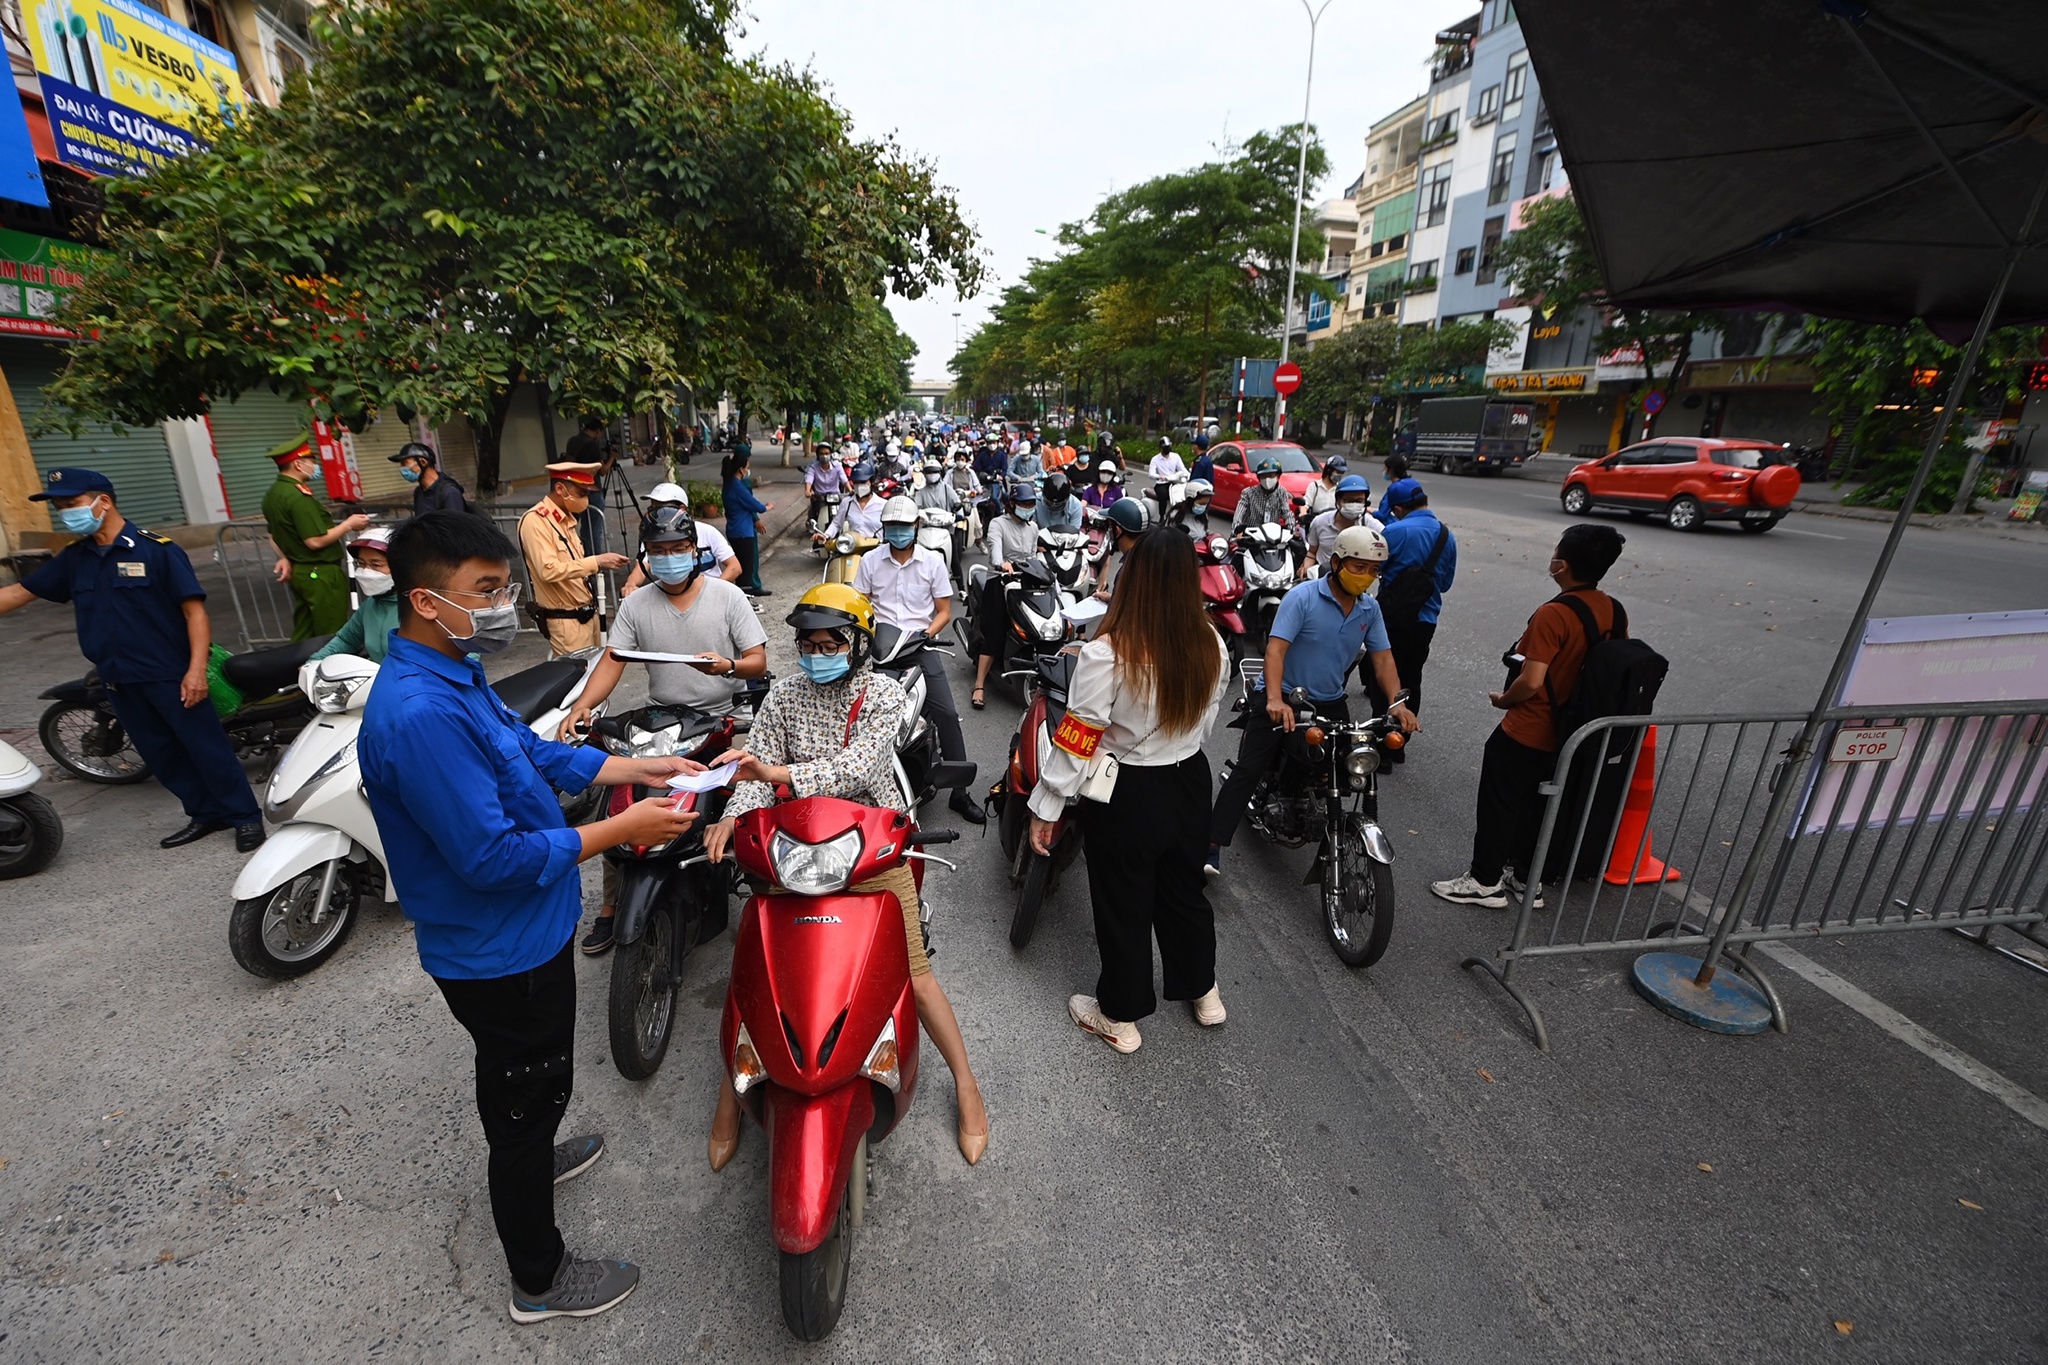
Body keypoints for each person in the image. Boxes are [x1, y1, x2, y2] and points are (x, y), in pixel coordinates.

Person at [359, 511, 700, 1324]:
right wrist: (622, 828)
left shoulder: (455, 669)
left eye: (504, 584)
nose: (504, 601)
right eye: (485, 589)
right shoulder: (419, 713)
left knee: (526, 1079)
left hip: (530, 929)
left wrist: (632, 765)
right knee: (521, 1095)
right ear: (423, 599)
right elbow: (491, 860)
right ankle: (539, 1281)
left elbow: (532, 751)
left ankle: (537, 1138)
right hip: (496, 951)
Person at [701, 585, 989, 1165]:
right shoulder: (782, 696)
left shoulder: (881, 693)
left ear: (857, 644)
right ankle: (731, 1097)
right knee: (754, 972)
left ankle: (967, 1086)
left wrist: (776, 771)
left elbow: (860, 766)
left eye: (831, 644)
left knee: (917, 973)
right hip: (793, 851)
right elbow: (755, 766)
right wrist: (732, 817)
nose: (817, 653)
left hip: (870, 854)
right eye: (808, 644)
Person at [1028, 530, 1231, 1054]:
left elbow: (1078, 737)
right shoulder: (1210, 642)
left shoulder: (1107, 652)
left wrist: (1047, 805)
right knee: (1184, 890)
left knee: (1124, 901)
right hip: (1188, 778)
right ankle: (1203, 991)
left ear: (1131, 580)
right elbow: (1209, 718)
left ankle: (1120, 1015)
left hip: (1127, 790)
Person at [0, 468, 264, 851]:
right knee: (161, 752)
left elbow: (195, 613)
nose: (65, 514)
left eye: (71, 504)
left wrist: (194, 672)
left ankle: (244, 817)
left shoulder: (157, 550)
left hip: (170, 673)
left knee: (207, 748)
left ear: (102, 502)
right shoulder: (76, 558)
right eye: (59, 507)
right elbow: (20, 593)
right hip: (117, 677)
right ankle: (204, 813)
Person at [561, 508, 769, 953]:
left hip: (720, 719)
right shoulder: (637, 605)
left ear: (695, 551)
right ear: (646, 556)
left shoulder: (727, 597)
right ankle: (610, 907)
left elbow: (758, 661)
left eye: (678, 549)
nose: (669, 557)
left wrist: (727, 665)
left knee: (747, 798)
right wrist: (583, 704)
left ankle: (762, 890)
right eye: (659, 551)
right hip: (662, 722)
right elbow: (612, 661)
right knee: (620, 805)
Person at [1432, 524, 1625, 910]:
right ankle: (1526, 879)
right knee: (1540, 804)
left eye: (1555, 552)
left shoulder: (1554, 614)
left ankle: (1484, 881)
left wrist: (1503, 700)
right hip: (1573, 732)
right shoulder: (1613, 610)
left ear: (1562, 565)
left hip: (1529, 729)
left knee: (1499, 803)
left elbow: (1532, 679)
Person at [1206, 525, 1418, 876]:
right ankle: (1210, 844)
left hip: (1331, 700)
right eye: (1358, 567)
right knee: (1249, 768)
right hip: (1285, 693)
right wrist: (1274, 698)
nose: (1366, 577)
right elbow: (1275, 650)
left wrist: (1397, 704)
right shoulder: (1302, 597)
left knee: (1349, 765)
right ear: (1335, 562)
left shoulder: (1370, 610)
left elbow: (1382, 659)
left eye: (1374, 570)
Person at [855, 497, 985, 825]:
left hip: (919, 647)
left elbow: (944, 611)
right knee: (856, 710)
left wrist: (926, 633)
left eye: (903, 526)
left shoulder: (932, 562)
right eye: (892, 527)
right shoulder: (870, 561)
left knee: (947, 712)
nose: (897, 532)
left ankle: (959, 793)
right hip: (879, 650)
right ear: (884, 529)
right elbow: (861, 605)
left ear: (916, 527)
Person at [261, 433, 369, 641]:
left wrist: (285, 557)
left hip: (301, 572)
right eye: (311, 461)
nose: (315, 466)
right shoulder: (298, 496)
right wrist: (348, 524)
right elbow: (314, 541)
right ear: (298, 464)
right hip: (321, 574)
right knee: (331, 632)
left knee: (304, 632)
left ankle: (296, 670)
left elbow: (273, 536)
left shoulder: (273, 494)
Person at [1369, 478, 1457, 728]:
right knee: (1410, 678)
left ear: (1397, 510)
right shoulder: (1446, 536)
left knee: (1383, 677)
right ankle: (1400, 742)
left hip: (1390, 619)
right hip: (1425, 621)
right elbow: (1445, 584)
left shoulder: (1394, 532)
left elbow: (1374, 568)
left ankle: (1382, 742)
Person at [518, 462, 628, 655]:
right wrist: (597, 561)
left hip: (587, 615)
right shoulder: (536, 521)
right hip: (566, 622)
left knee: (594, 677)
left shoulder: (566, 519)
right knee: (577, 679)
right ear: (560, 488)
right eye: (581, 493)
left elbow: (573, 565)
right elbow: (549, 570)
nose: (585, 500)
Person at [969, 479, 1045, 710]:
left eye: (1032, 503)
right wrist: (1002, 564)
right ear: (1012, 504)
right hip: (1000, 581)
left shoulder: (1033, 528)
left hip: (1026, 582)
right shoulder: (997, 524)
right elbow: (995, 551)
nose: (1029, 507)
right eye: (1025, 503)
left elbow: (1033, 555)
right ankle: (979, 684)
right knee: (995, 633)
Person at [618, 482, 741, 592]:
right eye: (653, 508)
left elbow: (734, 567)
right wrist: (630, 584)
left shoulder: (708, 532)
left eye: (663, 509)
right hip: (669, 596)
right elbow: (641, 567)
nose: (656, 514)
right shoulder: (652, 537)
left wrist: (711, 591)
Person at [310, 528, 401, 664]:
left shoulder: (418, 607)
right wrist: (315, 662)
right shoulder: (370, 605)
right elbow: (346, 640)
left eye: (376, 565)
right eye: (361, 564)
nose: (366, 571)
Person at [1303, 475, 1384, 578]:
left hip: (1356, 582)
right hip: (1323, 579)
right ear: (1338, 501)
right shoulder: (1319, 522)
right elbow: (1311, 553)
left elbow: (1388, 542)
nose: (1354, 505)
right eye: (1349, 500)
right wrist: (1306, 568)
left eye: (1359, 501)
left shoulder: (1370, 525)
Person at [720, 447, 772, 597]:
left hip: (736, 530)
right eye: (747, 467)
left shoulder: (729, 484)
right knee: (745, 570)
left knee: (743, 568)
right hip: (743, 532)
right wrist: (766, 507)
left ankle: (744, 597)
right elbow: (755, 505)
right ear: (741, 469)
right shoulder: (738, 486)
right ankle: (745, 599)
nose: (748, 470)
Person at [1089, 496, 1150, 602]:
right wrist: (1113, 599)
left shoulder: (1129, 570)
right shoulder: (1148, 557)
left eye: (1110, 527)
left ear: (1117, 531)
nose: (1109, 530)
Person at [390, 442, 474, 516]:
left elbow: (455, 529)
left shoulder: (449, 492)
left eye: (405, 463)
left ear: (423, 462)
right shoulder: (419, 492)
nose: (402, 468)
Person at [1230, 456, 1301, 537]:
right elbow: (1238, 515)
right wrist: (1237, 530)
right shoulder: (1248, 493)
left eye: (1271, 476)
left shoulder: (1282, 492)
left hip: (1272, 537)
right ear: (1259, 478)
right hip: (1251, 537)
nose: (1267, 479)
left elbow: (1287, 513)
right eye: (1264, 476)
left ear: (1278, 476)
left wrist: (1292, 530)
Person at [820, 459, 887, 542]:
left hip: (876, 549)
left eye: (863, 482)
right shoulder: (847, 503)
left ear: (871, 482)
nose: (859, 486)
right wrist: (826, 535)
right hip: (853, 548)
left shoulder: (883, 505)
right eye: (856, 482)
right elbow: (836, 524)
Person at [804, 444, 844, 527]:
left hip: (835, 496)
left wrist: (850, 490)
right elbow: (809, 480)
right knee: (814, 512)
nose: (824, 456)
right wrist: (807, 491)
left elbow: (844, 479)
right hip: (820, 497)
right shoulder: (813, 467)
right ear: (818, 455)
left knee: (844, 513)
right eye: (821, 453)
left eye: (826, 453)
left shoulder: (837, 466)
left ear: (831, 454)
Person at [1301, 453, 1348, 521]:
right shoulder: (1315, 486)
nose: (1340, 475)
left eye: (1342, 473)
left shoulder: (1340, 489)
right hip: (1316, 522)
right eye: (1338, 472)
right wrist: (1303, 514)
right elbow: (1305, 504)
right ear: (1329, 470)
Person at [1377, 454, 1411, 520]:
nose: (1383, 471)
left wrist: (1367, 509)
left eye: (1385, 468)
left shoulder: (1395, 488)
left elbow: (1381, 514)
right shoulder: (1408, 483)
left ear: (1391, 470)